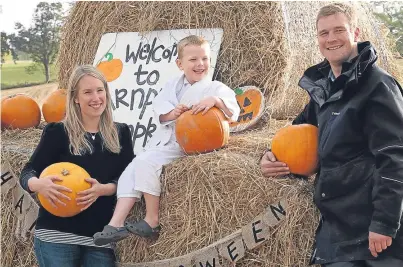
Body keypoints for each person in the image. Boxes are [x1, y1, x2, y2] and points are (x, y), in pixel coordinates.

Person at [260, 3, 403, 267]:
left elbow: (394, 157)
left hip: (369, 232)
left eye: (339, 30)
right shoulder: (324, 91)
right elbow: (294, 133)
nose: (331, 38)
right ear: (317, 39)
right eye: (324, 33)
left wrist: (384, 223)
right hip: (336, 229)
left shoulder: (378, 87)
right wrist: (269, 156)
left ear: (356, 32)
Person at [93, 35, 240, 245]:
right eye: (193, 60)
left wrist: (215, 101)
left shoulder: (215, 88)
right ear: (180, 64)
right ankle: (115, 224)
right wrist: (174, 112)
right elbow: (160, 112)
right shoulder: (171, 85)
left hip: (195, 144)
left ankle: (152, 221)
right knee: (132, 168)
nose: (200, 64)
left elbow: (234, 113)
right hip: (171, 141)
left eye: (205, 59)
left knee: (145, 162)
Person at [19, 65, 135, 267]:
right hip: (56, 237)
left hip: (100, 239)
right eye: (87, 92)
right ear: (75, 98)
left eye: (100, 90)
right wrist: (39, 185)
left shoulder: (121, 133)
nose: (96, 97)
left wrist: (104, 189)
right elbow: (28, 172)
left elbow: (129, 180)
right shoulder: (58, 132)